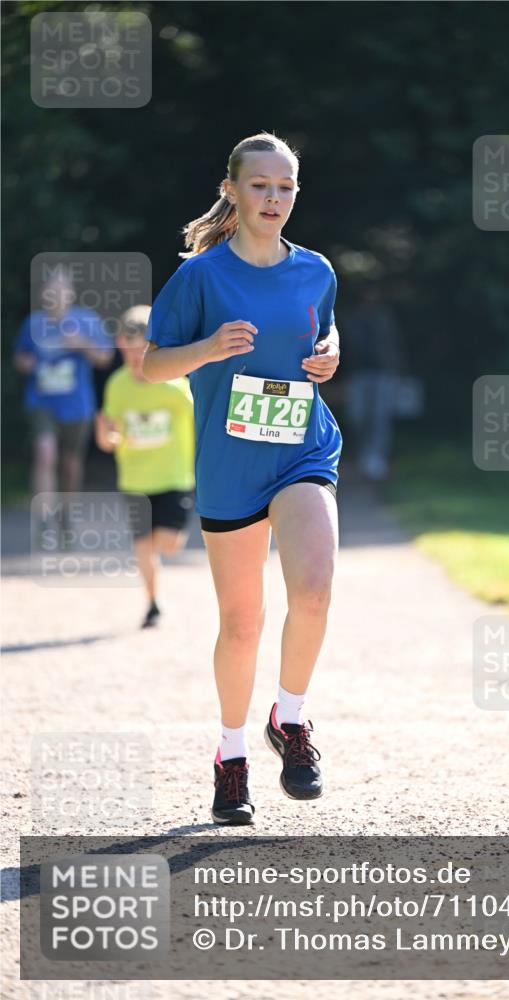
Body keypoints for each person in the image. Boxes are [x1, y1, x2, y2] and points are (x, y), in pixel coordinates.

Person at [142, 132, 342, 825]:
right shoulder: (201, 276)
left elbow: (323, 334)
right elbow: (151, 365)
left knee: (313, 590)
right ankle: (231, 759)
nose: (274, 198)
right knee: (243, 620)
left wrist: (328, 357)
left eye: (285, 187)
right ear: (232, 190)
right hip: (231, 466)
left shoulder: (316, 269)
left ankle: (289, 721)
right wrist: (207, 348)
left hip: (300, 450)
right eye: (261, 185)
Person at [95, 305, 196, 629]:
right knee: (142, 548)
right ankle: (153, 604)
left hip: (174, 478)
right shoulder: (117, 385)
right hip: (135, 480)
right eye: (129, 351)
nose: (136, 358)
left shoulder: (175, 385)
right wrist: (106, 436)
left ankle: (155, 567)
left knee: (167, 544)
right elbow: (108, 438)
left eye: (143, 350)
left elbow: (201, 422)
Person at [13, 267, 114, 518]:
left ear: (70, 293)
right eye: (51, 289)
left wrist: (81, 344)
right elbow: (20, 358)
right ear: (44, 293)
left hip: (77, 405)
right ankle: (44, 518)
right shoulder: (33, 324)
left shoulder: (86, 321)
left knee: (70, 464)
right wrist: (25, 363)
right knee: (45, 454)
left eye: (61, 289)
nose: (56, 294)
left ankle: (66, 515)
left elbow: (105, 358)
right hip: (41, 401)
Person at [343, 283, 404, 481]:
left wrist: (397, 372)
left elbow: (392, 346)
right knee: (358, 415)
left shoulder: (384, 318)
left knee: (380, 416)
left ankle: (376, 457)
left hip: (383, 373)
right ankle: (363, 454)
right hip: (358, 373)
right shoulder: (351, 319)